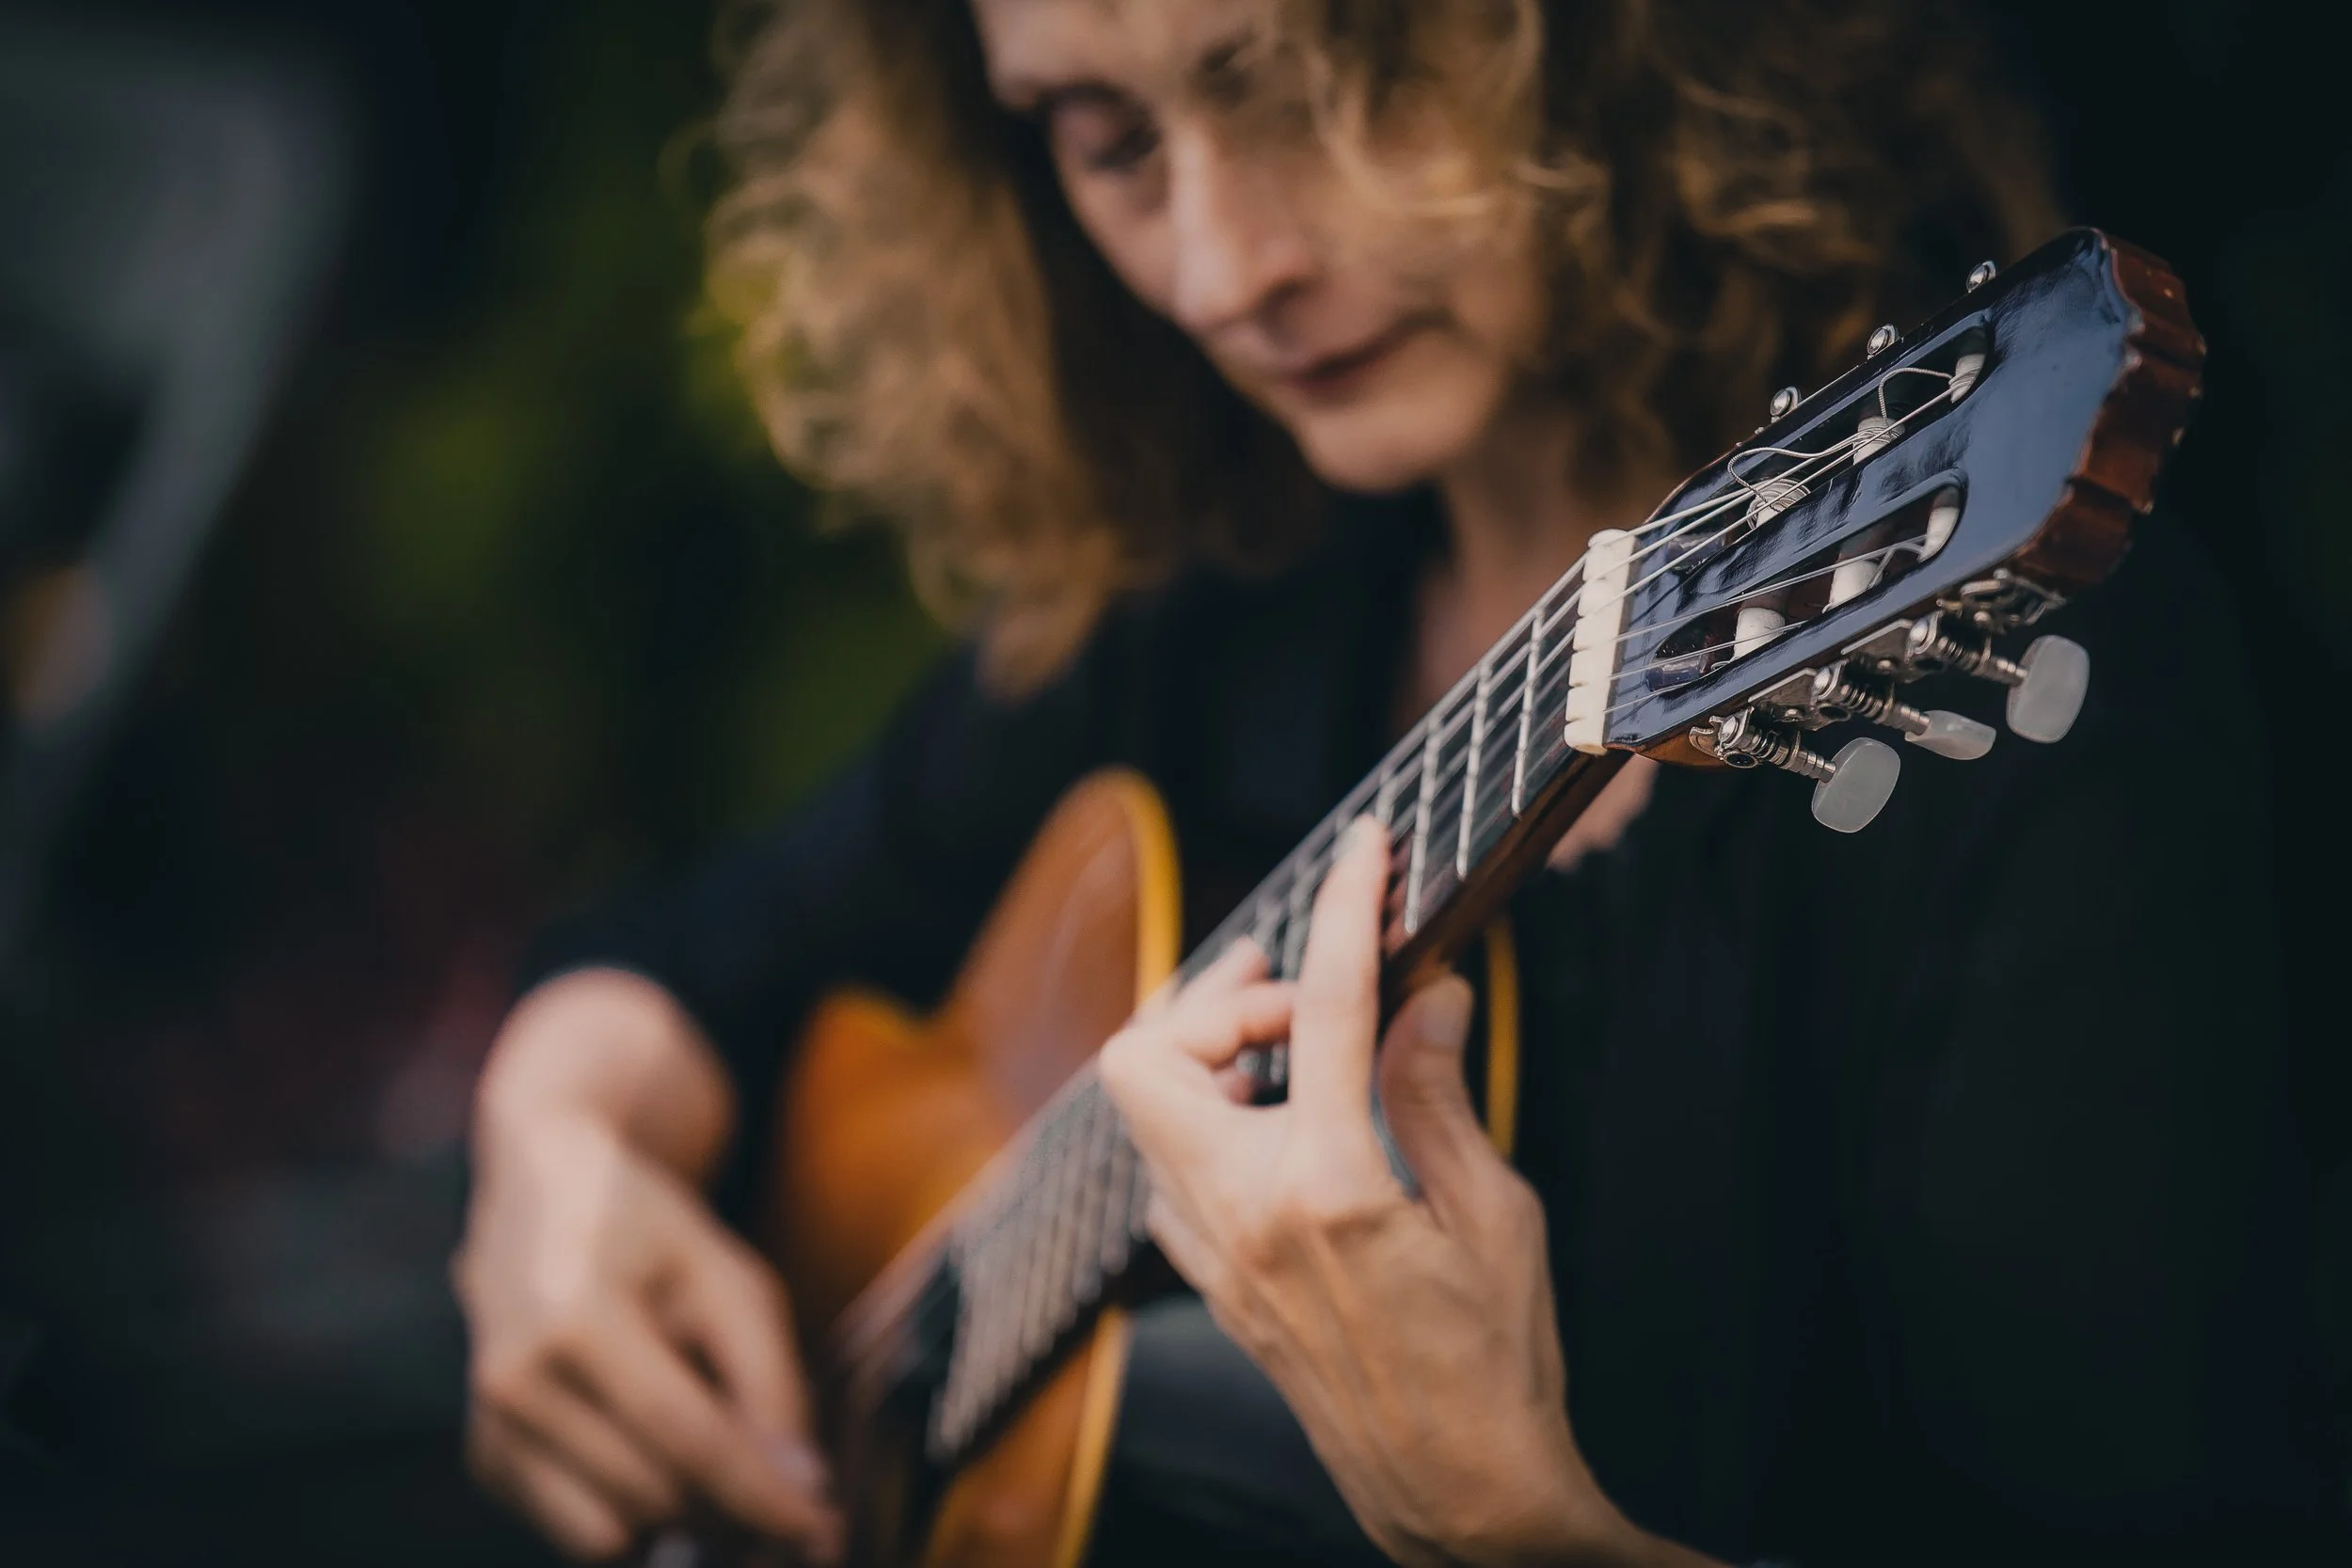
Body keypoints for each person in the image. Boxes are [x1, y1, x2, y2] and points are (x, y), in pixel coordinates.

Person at [451, 0, 2344, 1563]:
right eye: (1104, 135)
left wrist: (1505, 1525)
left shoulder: (2051, 733)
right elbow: (707, 946)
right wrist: (555, 1141)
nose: (1217, 264)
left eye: (1316, 85)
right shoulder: (1222, 576)